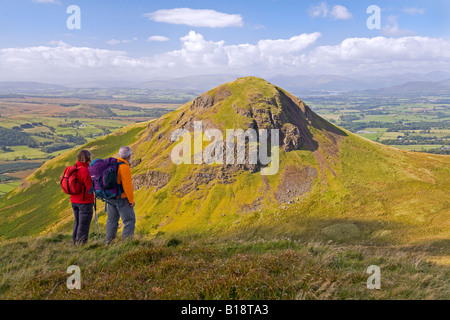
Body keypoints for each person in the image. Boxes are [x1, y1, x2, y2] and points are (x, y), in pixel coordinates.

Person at [105, 146, 136, 244]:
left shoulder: (113, 163)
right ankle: (126, 244)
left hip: (110, 197)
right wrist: (131, 201)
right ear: (129, 156)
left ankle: (109, 243)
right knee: (129, 221)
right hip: (121, 198)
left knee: (111, 221)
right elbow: (127, 186)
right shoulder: (124, 167)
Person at [71, 149, 94, 244]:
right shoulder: (85, 170)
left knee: (77, 222)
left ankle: (74, 242)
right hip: (84, 201)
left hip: (74, 200)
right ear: (88, 158)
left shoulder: (74, 168)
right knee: (83, 224)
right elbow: (89, 188)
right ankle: (81, 244)